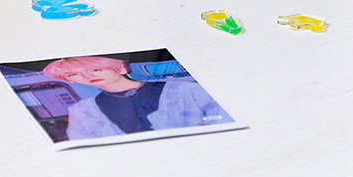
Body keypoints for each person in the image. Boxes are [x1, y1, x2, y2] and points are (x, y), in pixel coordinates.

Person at [42, 56, 232, 140]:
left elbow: (227, 125)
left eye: (95, 69)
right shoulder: (82, 112)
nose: (87, 76)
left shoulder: (186, 90)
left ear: (120, 68)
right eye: (73, 74)